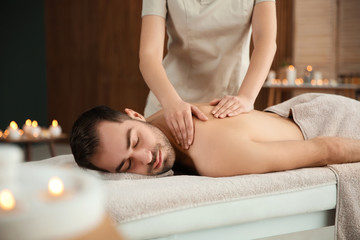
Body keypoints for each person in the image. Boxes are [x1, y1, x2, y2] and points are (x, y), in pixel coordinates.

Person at [70, 93, 360, 177]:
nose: (147, 157)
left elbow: (325, 149)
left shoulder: (214, 155)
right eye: (126, 165)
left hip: (333, 122)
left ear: (135, 115)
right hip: (289, 112)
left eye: (134, 142)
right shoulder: (157, 121)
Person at [139, 0, 277, 150]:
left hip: (231, 105)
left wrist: (246, 97)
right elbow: (149, 54)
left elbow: (266, 40)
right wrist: (171, 102)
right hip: (171, 103)